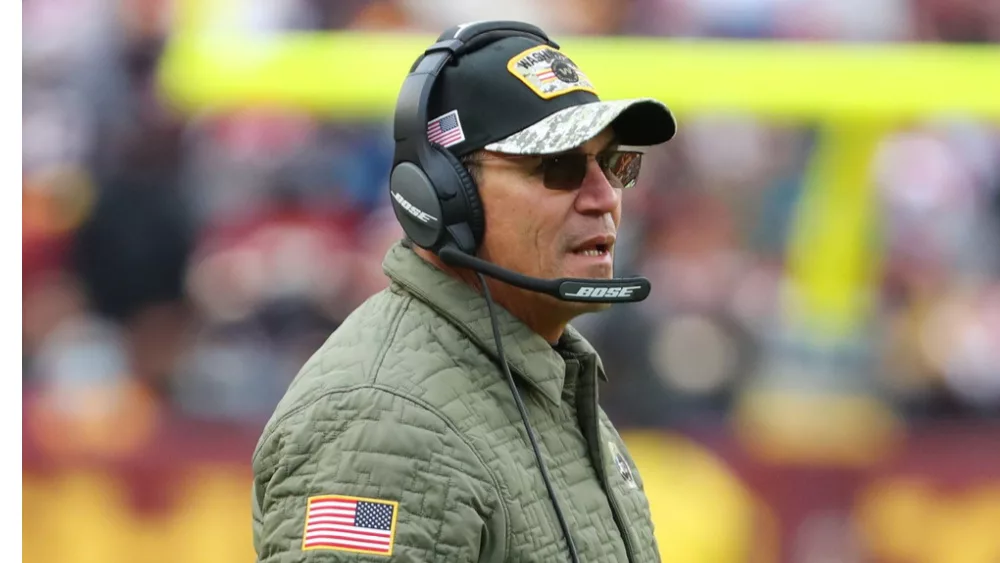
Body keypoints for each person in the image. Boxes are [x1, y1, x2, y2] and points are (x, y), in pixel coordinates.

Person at [251, 20, 677, 562]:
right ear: (445, 196)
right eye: (559, 166)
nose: (604, 197)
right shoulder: (383, 424)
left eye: (617, 165)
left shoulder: (545, 377)